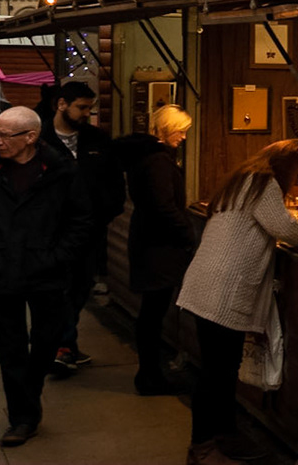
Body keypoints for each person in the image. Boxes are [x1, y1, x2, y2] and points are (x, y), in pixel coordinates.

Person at [0, 106, 91, 447]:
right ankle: (22, 417)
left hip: (46, 271)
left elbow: (79, 220)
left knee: (46, 342)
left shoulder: (61, 170)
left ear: (30, 137)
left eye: (4, 135)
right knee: (9, 348)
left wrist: (58, 256)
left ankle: (28, 395)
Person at [176, 140, 298, 464]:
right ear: (285, 165)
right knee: (216, 374)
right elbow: (286, 230)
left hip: (206, 284)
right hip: (222, 290)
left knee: (220, 370)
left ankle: (224, 435)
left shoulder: (243, 180)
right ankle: (202, 447)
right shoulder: (264, 184)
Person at [42, 83, 123, 378]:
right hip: (52, 234)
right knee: (58, 290)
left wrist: (103, 215)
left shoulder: (97, 139)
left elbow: (114, 184)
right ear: (61, 104)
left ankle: (65, 344)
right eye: (82, 107)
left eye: (90, 108)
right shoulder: (40, 139)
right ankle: (61, 346)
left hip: (90, 232)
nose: (87, 113)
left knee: (79, 289)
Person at [116, 104, 195, 394]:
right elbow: (164, 205)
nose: (183, 137)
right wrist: (186, 231)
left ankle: (149, 374)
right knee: (153, 313)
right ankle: (149, 376)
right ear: (167, 128)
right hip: (158, 245)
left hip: (147, 240)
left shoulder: (144, 156)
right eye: (181, 131)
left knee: (151, 313)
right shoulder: (159, 161)